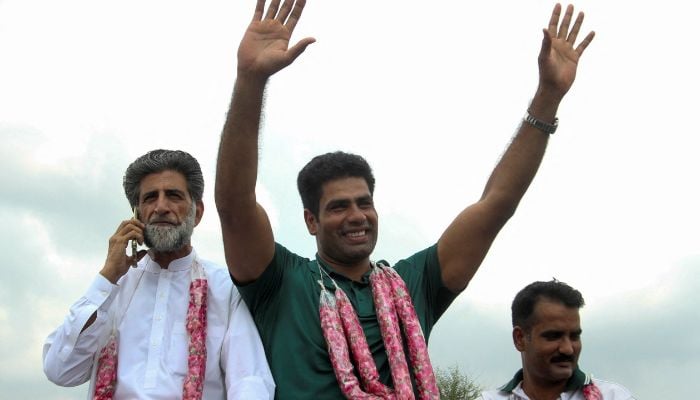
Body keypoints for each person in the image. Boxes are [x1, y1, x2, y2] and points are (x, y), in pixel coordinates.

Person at [215, 0, 594, 398]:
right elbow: (235, 204)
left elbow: (496, 204)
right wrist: (250, 81)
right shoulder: (282, 283)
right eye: (338, 206)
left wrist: (548, 98)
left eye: (364, 202)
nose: (357, 216)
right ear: (310, 221)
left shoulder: (415, 285)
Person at [43, 149, 274, 399]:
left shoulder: (225, 288)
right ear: (137, 214)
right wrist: (108, 276)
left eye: (173, 196)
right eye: (150, 198)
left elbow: (249, 380)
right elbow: (61, 371)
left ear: (197, 213)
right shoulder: (112, 289)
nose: (161, 207)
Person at [480, 280, 636, 400]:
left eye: (574, 336)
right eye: (553, 336)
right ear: (519, 339)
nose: (568, 349)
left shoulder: (613, 397)